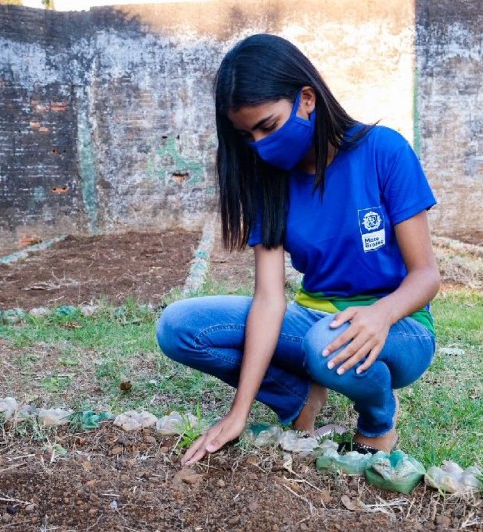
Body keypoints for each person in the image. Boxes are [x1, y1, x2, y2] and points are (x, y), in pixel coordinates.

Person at [156, 34, 440, 466]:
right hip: (314, 321)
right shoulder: (268, 181)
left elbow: (426, 276)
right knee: (178, 326)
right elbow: (269, 299)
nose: (259, 143)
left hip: (401, 324)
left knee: (324, 341)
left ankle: (377, 420)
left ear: (307, 99)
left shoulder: (383, 151)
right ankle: (298, 399)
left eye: (268, 126)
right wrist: (239, 412)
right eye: (247, 135)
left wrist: (380, 315)